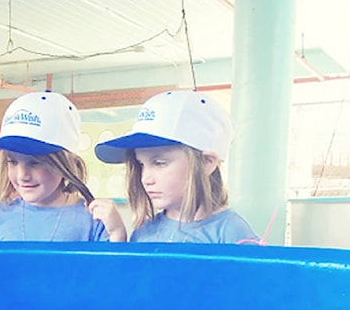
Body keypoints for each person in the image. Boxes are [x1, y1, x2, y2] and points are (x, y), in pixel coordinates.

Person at [94, 90, 258, 244]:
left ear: (206, 162)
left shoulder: (233, 234)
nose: (145, 179)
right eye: (141, 164)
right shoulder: (144, 232)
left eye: (159, 163)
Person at [0, 91, 126, 242]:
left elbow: (113, 267)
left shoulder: (91, 218)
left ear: (64, 164)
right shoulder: (2, 213)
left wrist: (117, 233)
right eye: (13, 162)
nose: (22, 175)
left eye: (35, 162)